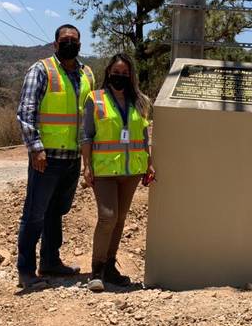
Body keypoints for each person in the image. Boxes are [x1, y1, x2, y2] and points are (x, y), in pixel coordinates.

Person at [15, 24, 95, 289]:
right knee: (34, 215)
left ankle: (50, 261)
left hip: (72, 158)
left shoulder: (87, 74)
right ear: (56, 44)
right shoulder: (41, 70)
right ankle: (26, 271)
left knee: (55, 212)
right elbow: (26, 112)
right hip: (46, 159)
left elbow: (90, 116)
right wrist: (36, 148)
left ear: (80, 44)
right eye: (65, 40)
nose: (70, 43)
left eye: (74, 40)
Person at [81, 53, 155, 292]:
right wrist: (87, 166)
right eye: (116, 72)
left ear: (130, 76)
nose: (120, 77)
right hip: (104, 170)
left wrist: (148, 163)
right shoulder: (96, 99)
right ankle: (97, 270)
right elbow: (87, 136)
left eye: (125, 73)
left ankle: (111, 268)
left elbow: (143, 136)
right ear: (108, 73)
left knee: (121, 218)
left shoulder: (141, 101)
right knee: (107, 216)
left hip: (132, 170)